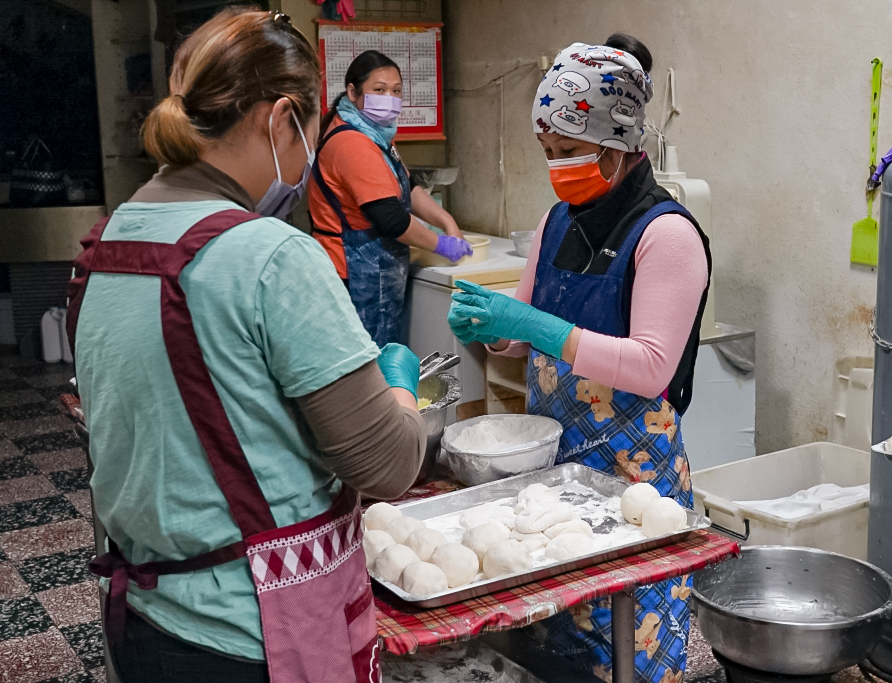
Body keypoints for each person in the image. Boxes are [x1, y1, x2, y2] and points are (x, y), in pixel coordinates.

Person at [67, 9, 426, 682]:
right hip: (255, 636)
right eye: (311, 134)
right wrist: (399, 380)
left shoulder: (106, 244)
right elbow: (388, 462)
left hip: (146, 621)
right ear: (281, 117)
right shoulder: (270, 256)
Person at [447, 34, 711, 682]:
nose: (555, 167)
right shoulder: (559, 220)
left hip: (631, 483)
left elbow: (650, 365)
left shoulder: (667, 234)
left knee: (631, 656)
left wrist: (535, 323)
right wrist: (494, 325)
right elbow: (522, 331)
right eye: (548, 153)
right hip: (554, 477)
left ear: (616, 141)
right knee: (555, 652)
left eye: (567, 151)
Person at [309, 50, 472, 346]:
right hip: (353, 271)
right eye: (379, 90)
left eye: (396, 91)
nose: (390, 98)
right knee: (368, 361)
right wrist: (441, 245)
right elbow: (390, 218)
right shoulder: (352, 143)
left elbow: (406, 185)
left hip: (375, 269)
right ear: (353, 92)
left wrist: (446, 221)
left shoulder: (375, 134)